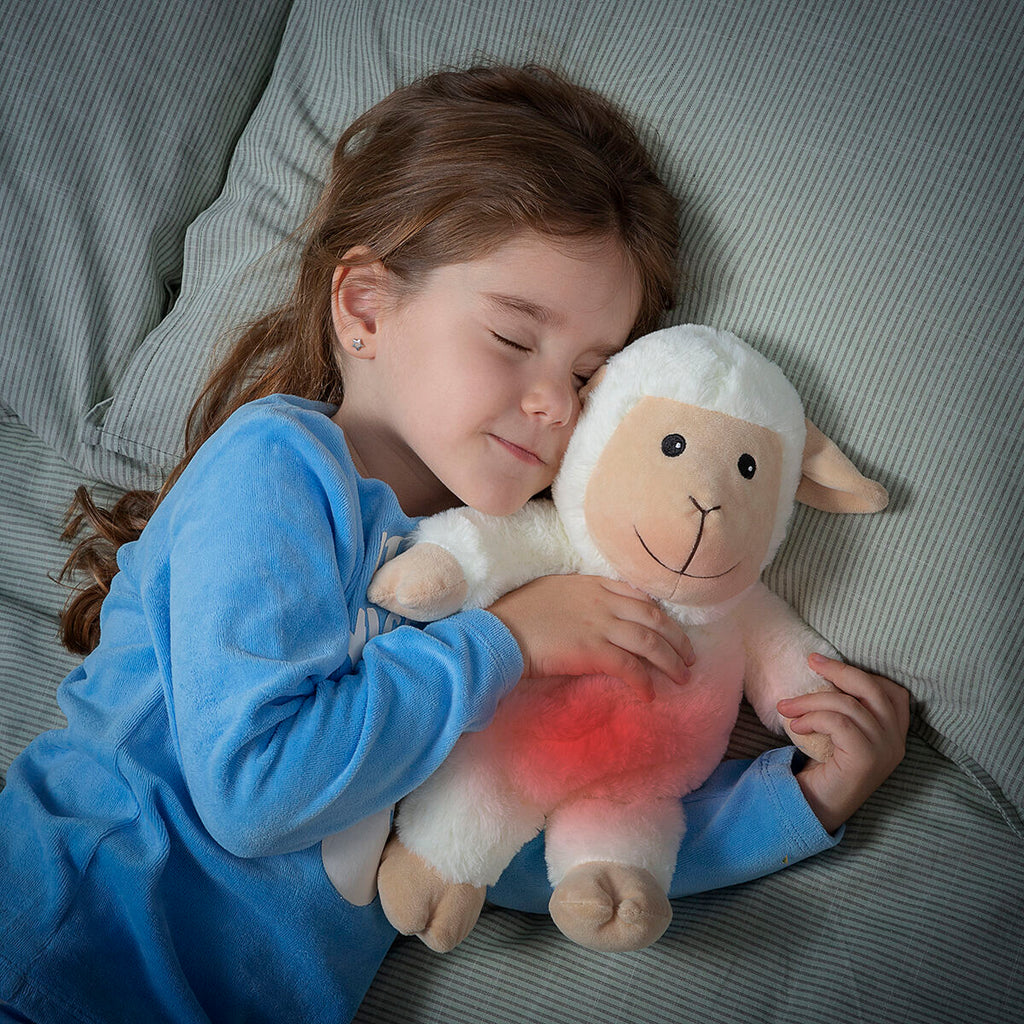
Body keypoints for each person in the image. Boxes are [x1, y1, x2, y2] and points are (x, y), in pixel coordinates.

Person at [0, 65, 909, 1024]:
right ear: (364, 310)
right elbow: (255, 790)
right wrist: (509, 643)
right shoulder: (280, 469)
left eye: (591, 375)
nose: (556, 402)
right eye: (515, 339)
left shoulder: (525, 576)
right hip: (62, 957)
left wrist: (801, 804)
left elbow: (517, 840)